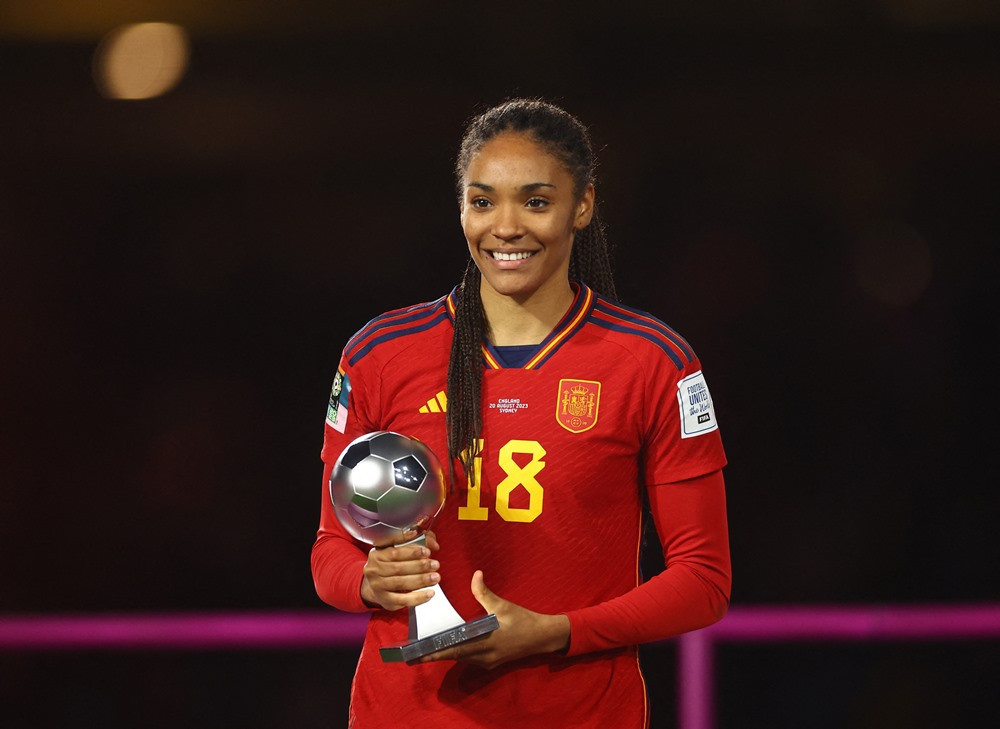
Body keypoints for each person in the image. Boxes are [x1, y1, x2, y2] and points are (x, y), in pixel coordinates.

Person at [312, 98, 731, 728]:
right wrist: (370, 582)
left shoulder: (654, 363)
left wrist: (556, 633)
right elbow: (329, 553)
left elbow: (703, 582)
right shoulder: (378, 354)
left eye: (535, 202)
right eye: (483, 202)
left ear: (582, 205)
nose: (505, 227)